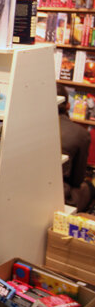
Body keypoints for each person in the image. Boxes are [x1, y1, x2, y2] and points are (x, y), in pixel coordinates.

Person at [58, 83, 95, 212]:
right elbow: (77, 180)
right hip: (59, 195)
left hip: (26, 189)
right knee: (89, 187)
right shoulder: (81, 134)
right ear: (68, 106)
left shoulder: (28, 127)